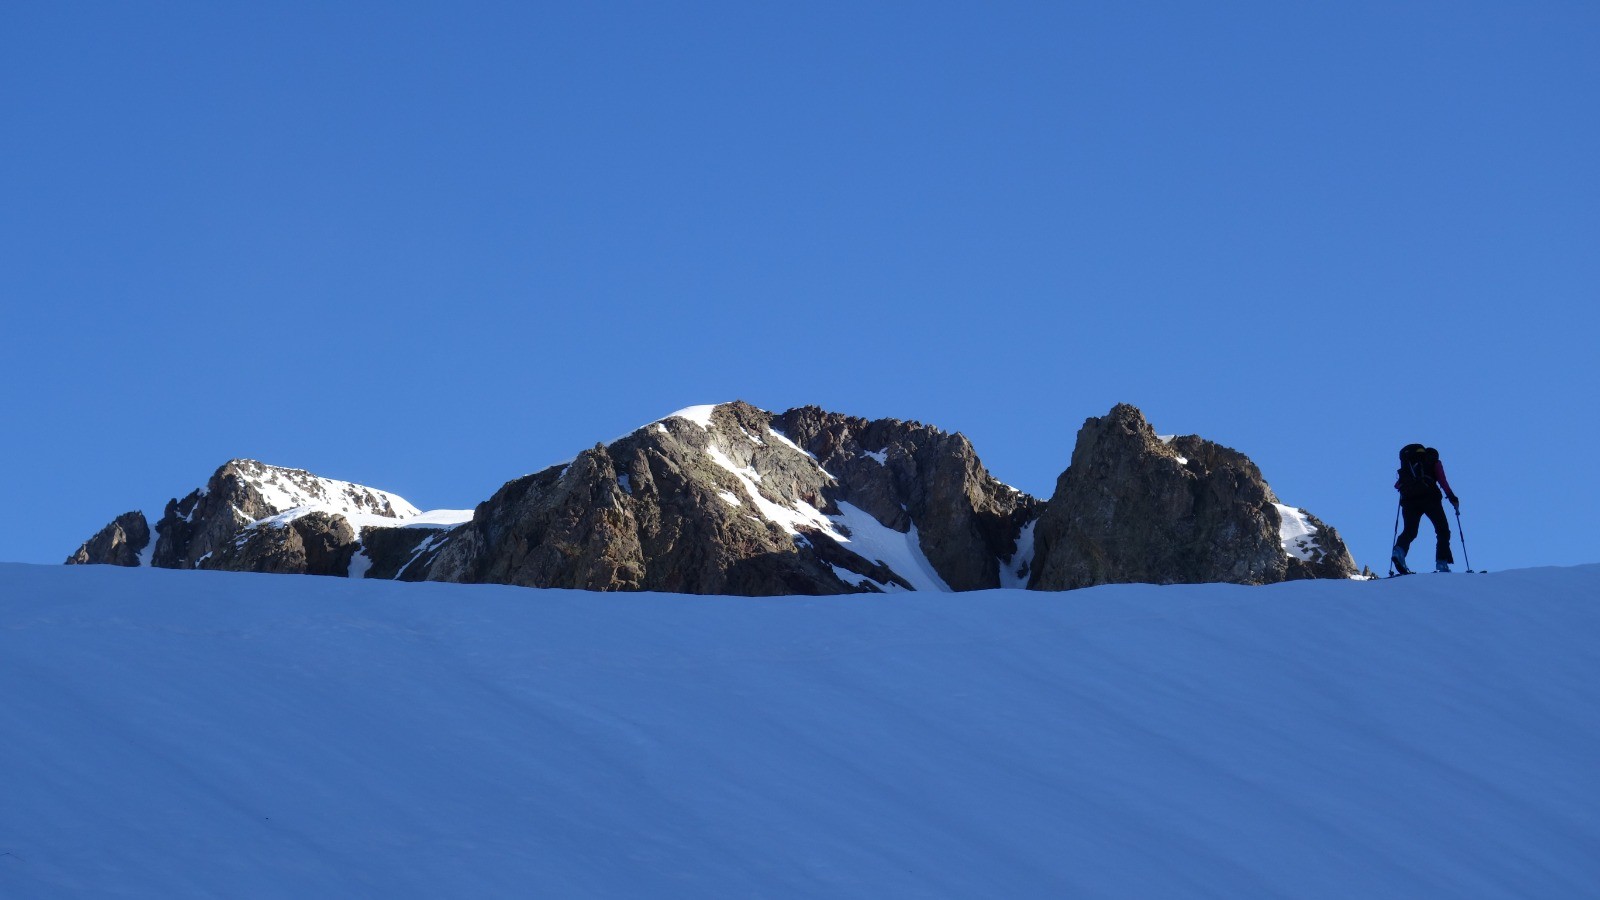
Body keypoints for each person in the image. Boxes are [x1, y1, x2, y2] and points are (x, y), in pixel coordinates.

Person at [1392, 444, 1459, 574]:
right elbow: (1442, 480)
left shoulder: (1410, 466)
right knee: (1442, 529)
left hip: (1409, 499)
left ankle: (1398, 551)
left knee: (1410, 531)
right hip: (1430, 498)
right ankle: (1442, 562)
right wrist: (1452, 498)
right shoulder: (1434, 462)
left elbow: (1397, 485)